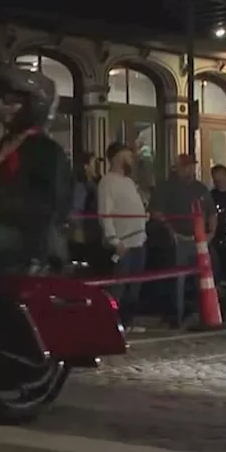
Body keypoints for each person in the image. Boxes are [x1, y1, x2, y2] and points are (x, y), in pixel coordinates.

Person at [0, 65, 73, 276]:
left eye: (12, 101)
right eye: (2, 100)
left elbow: (52, 202)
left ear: (34, 105)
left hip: (29, 238)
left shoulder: (48, 151)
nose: (2, 106)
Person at [151, 154, 217, 326]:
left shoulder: (200, 189)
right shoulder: (166, 187)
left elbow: (212, 212)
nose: (190, 169)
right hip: (178, 239)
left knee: (203, 278)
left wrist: (211, 234)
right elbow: (157, 212)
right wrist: (170, 231)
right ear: (177, 167)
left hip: (199, 241)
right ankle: (177, 316)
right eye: (186, 166)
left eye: (192, 166)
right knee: (177, 280)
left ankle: (202, 313)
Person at [96, 142, 150, 331]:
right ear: (118, 157)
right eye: (128, 156)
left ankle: (127, 322)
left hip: (139, 240)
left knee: (134, 286)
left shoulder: (128, 182)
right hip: (123, 243)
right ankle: (110, 323)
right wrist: (113, 240)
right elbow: (105, 213)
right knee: (118, 286)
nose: (131, 160)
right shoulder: (107, 182)